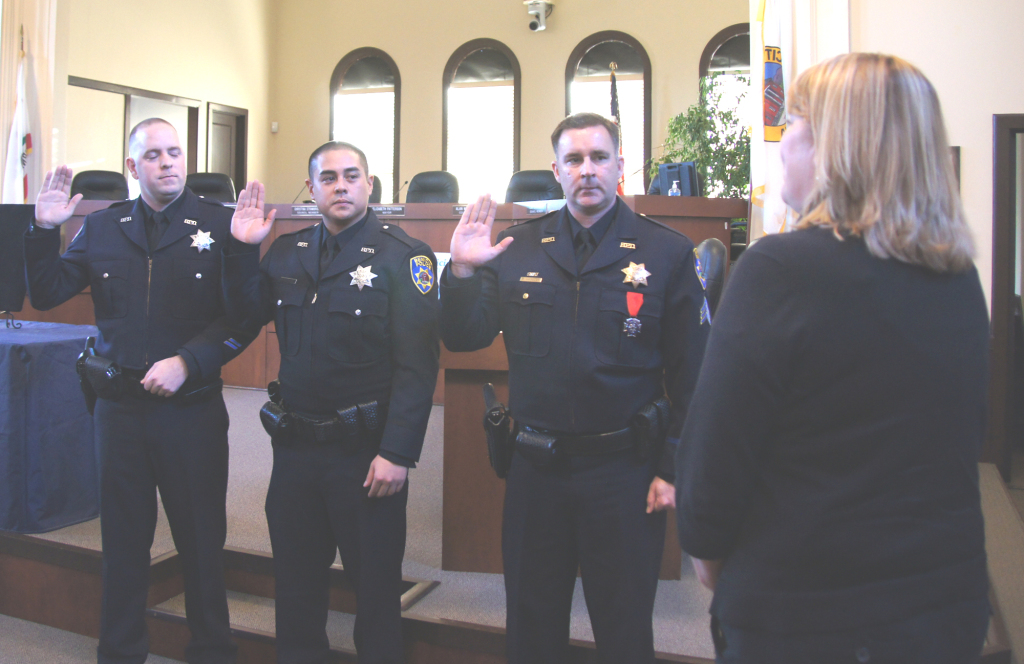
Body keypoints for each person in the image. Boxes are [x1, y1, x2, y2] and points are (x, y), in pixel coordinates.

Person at [675, 53, 990, 664]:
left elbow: (712, 472)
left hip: (805, 618)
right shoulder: (959, 278)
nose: (784, 142)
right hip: (943, 610)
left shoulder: (779, 271)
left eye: (794, 124)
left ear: (835, 149)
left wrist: (716, 566)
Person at [441, 112, 710, 663]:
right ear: (557, 172)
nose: (587, 170)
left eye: (598, 158)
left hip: (625, 473)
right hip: (536, 470)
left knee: (624, 627)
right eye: (574, 160)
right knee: (532, 625)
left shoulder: (666, 254)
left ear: (620, 167)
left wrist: (672, 465)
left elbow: (695, 375)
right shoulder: (518, 249)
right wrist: (464, 273)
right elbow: (464, 337)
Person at [25, 118, 251, 664]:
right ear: (133, 167)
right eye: (154, 155)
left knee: (200, 545)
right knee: (123, 548)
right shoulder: (104, 226)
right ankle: (120, 653)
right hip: (119, 411)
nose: (168, 162)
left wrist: (187, 362)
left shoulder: (221, 224)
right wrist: (42, 232)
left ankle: (211, 652)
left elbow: (243, 317)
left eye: (175, 152)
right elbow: (50, 292)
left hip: (189, 412)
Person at [225, 141, 439, 664]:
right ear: (312, 188)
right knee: (296, 591)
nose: (340, 186)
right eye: (328, 178)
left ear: (370, 184)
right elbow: (241, 319)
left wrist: (398, 452)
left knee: (375, 595)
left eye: (351, 176)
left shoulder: (404, 256)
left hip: (366, 455)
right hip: (295, 450)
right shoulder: (285, 252)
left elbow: (418, 365)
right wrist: (239, 250)